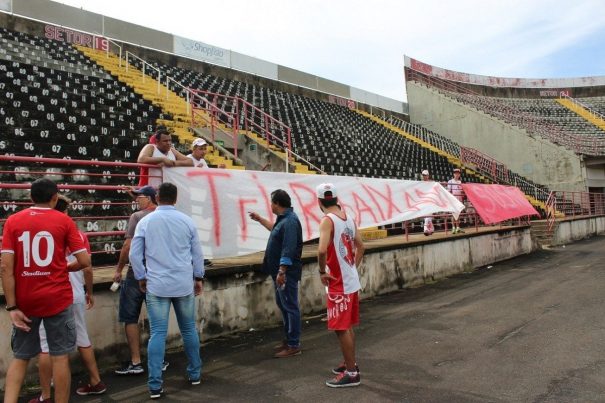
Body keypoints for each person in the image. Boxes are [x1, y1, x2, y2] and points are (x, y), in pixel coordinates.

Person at [1, 178, 91, 403]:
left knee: (21, 357)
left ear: (30, 198)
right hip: (57, 297)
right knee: (60, 357)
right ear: (54, 198)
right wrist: (66, 267)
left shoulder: (12, 221)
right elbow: (84, 260)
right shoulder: (64, 221)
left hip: (26, 299)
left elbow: (5, 267)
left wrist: (11, 305)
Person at [129, 182, 205, 399]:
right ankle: (195, 373)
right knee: (189, 329)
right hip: (183, 284)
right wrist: (198, 277)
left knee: (158, 334)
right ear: (176, 198)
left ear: (157, 197)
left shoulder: (145, 221)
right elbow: (197, 254)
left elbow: (135, 255)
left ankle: (155, 385)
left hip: (157, 284)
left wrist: (141, 277)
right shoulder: (187, 221)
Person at [33, 195, 106, 402]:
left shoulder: (43, 233)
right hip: (75, 294)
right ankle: (96, 381)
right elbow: (88, 267)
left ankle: (46, 395)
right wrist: (89, 292)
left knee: (47, 345)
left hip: (52, 295)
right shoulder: (78, 234)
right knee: (82, 338)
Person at [113, 185, 168, 376]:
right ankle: (159, 359)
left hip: (137, 273)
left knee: (130, 317)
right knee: (157, 319)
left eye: (140, 196)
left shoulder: (137, 217)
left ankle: (136, 361)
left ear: (151, 198)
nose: (137, 199)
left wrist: (119, 268)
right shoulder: (166, 217)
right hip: (159, 272)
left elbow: (128, 247)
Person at [316, 183, 365, 388]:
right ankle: (349, 363)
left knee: (341, 328)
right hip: (350, 280)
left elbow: (320, 251)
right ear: (336, 198)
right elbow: (361, 246)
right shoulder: (348, 217)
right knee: (348, 326)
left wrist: (321, 272)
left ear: (319, 201)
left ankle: (352, 373)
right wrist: (353, 266)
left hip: (339, 283)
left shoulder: (327, 221)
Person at [249, 189, 303, 358]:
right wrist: (260, 220)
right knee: (284, 305)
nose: (270, 205)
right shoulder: (285, 221)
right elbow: (275, 230)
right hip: (280, 272)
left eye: (272, 202)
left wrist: (282, 271)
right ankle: (289, 339)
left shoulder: (290, 222)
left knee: (290, 306)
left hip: (285, 273)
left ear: (277, 204)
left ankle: (293, 344)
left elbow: (288, 249)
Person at [447, 168, 465, 234]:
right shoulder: (450, 181)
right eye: (455, 173)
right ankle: (453, 227)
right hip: (453, 200)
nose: (457, 175)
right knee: (453, 214)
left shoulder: (460, 182)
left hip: (459, 200)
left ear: (459, 174)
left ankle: (458, 227)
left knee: (458, 214)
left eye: (458, 173)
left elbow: (461, 191)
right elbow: (449, 191)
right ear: (453, 174)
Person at [421, 170, 434, 236]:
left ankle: (426, 229)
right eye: (423, 175)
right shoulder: (420, 183)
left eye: (425, 175)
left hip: (430, 200)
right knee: (427, 215)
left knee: (428, 215)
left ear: (428, 176)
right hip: (424, 200)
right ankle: (430, 229)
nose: (424, 176)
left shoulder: (431, 183)